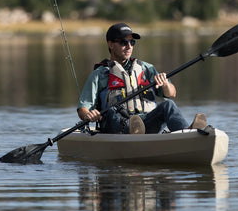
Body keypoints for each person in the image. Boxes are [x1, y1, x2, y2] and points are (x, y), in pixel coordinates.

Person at [77, 22, 207, 134]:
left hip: (146, 122)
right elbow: (83, 108)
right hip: (117, 127)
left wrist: (165, 85)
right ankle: (135, 131)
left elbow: (171, 93)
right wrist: (88, 115)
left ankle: (186, 132)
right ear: (111, 45)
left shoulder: (146, 68)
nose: (129, 46)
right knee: (112, 112)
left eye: (132, 42)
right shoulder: (100, 74)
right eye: (124, 42)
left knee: (168, 104)